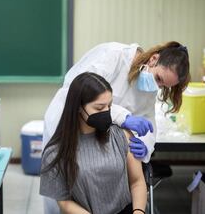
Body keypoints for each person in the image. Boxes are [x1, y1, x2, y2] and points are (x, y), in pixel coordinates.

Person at [44, 41, 190, 163]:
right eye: (159, 79)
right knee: (63, 187)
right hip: (69, 123)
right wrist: (124, 117)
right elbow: (86, 95)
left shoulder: (150, 84)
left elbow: (148, 121)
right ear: (153, 59)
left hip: (100, 142)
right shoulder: (114, 56)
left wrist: (145, 146)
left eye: (164, 86)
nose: (157, 86)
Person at [40, 72, 147, 214]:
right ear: (78, 107)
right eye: (99, 108)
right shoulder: (55, 152)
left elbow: (137, 181)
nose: (107, 112)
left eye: (109, 106)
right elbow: (64, 202)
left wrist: (139, 211)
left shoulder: (121, 135)